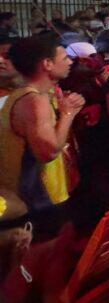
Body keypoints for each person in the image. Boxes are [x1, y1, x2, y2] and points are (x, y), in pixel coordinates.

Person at [0, 34, 85, 234]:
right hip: (35, 198)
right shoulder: (34, 100)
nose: (70, 62)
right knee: (52, 247)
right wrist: (68, 114)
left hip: (40, 194)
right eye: (64, 58)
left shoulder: (32, 94)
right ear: (47, 64)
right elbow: (48, 152)